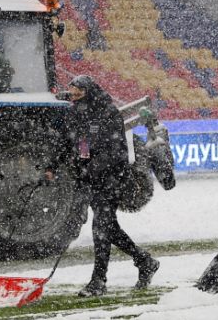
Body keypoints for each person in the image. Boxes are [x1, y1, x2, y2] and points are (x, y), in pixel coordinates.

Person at [67, 75, 159, 297]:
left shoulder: (108, 113)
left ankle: (98, 280)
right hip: (94, 179)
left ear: (88, 90)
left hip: (113, 179)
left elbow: (117, 151)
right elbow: (79, 143)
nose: (73, 94)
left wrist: (95, 167)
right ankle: (144, 260)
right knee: (110, 229)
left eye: (77, 91)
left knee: (100, 228)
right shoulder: (79, 112)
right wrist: (78, 164)